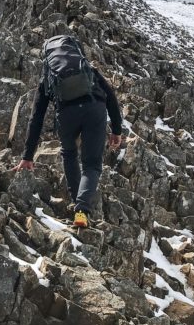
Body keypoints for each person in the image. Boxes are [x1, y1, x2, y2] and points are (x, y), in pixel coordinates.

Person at [14, 38, 123, 228]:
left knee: (70, 153)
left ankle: (77, 206)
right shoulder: (86, 67)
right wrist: (116, 130)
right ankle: (81, 210)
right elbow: (111, 97)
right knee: (92, 164)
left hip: (66, 115)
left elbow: (36, 118)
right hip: (94, 108)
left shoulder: (48, 78)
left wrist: (28, 156)